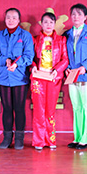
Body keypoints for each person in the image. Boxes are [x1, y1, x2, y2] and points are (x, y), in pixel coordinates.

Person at [0, 8, 34, 150]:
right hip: (3, 77)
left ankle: (19, 138)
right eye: (8, 17)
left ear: (19, 20)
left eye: (14, 18)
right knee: (7, 108)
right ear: (5, 19)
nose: (11, 20)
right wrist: (5, 60)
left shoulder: (25, 36)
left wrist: (17, 63)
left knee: (19, 108)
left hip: (20, 77)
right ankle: (7, 137)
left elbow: (29, 56)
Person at [63, 3, 87, 150]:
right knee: (76, 107)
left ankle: (86, 139)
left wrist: (85, 67)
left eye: (79, 14)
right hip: (72, 76)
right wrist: (66, 68)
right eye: (73, 14)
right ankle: (77, 137)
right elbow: (63, 55)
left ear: (85, 17)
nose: (76, 17)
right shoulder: (67, 34)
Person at [30, 12, 68, 150]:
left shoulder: (61, 40)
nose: (48, 25)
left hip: (53, 78)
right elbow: (30, 57)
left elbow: (65, 59)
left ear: (55, 24)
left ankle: (50, 139)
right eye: (45, 22)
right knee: (39, 110)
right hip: (38, 78)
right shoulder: (35, 40)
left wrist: (57, 70)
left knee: (50, 110)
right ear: (41, 24)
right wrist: (33, 66)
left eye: (51, 22)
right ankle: (39, 141)